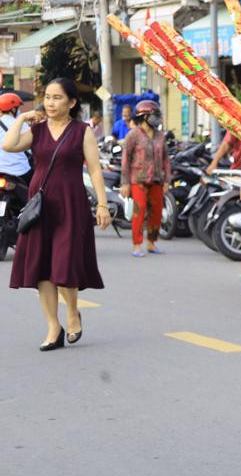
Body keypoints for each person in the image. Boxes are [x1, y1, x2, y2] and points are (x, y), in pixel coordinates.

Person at [6, 78, 112, 350]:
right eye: (47, 97)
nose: (50, 103)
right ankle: (54, 327)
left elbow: (95, 170)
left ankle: (72, 312)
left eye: (57, 97)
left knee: (64, 264)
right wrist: (22, 118)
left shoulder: (82, 131)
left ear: (72, 102)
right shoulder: (37, 130)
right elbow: (9, 145)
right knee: (43, 268)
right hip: (41, 206)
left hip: (71, 203)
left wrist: (102, 205)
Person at [120, 101, 171, 257]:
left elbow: (166, 160)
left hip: (157, 180)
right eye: (154, 115)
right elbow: (126, 160)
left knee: (157, 212)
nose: (157, 119)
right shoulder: (133, 135)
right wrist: (125, 183)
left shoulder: (160, 136)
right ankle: (137, 245)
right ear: (144, 117)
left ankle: (151, 243)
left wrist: (167, 181)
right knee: (139, 211)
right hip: (138, 180)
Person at [0, 92, 32, 201]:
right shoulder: (21, 124)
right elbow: (30, 147)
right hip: (20, 171)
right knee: (34, 193)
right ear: (13, 109)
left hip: (1, 172)